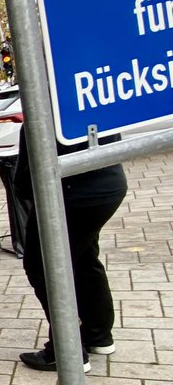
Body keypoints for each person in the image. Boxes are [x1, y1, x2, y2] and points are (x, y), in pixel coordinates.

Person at [13, 130, 128, 371]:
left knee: (43, 267)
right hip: (108, 184)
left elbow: (30, 163)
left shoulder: (45, 104)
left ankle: (67, 351)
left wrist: (23, 191)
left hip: (67, 194)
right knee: (84, 259)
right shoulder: (83, 97)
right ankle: (98, 335)